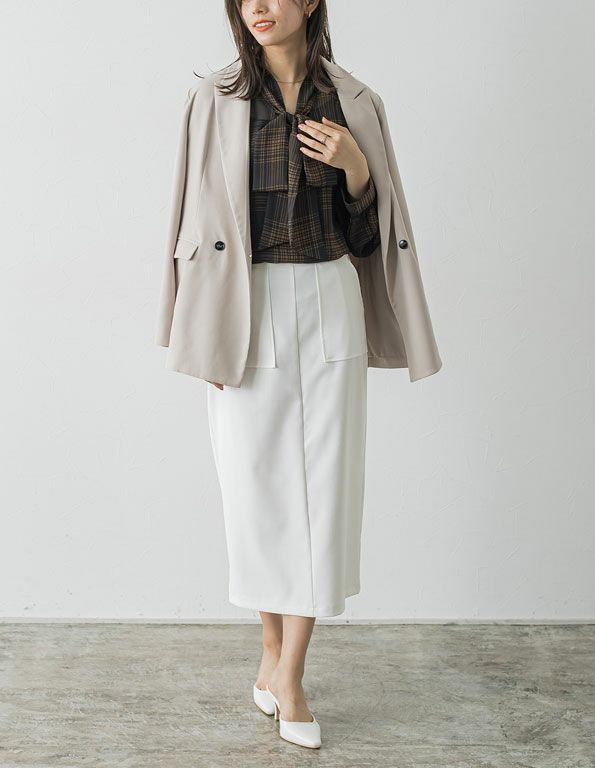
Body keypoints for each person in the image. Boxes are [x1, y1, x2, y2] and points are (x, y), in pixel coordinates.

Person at [155, 0, 442, 750]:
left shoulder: (356, 102)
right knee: (255, 487)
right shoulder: (212, 100)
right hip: (242, 308)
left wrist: (357, 171)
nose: (259, 6)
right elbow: (186, 217)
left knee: (324, 487)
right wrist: (196, 331)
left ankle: (290, 673)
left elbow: (370, 238)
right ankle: (269, 649)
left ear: (311, 0)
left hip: (328, 299)